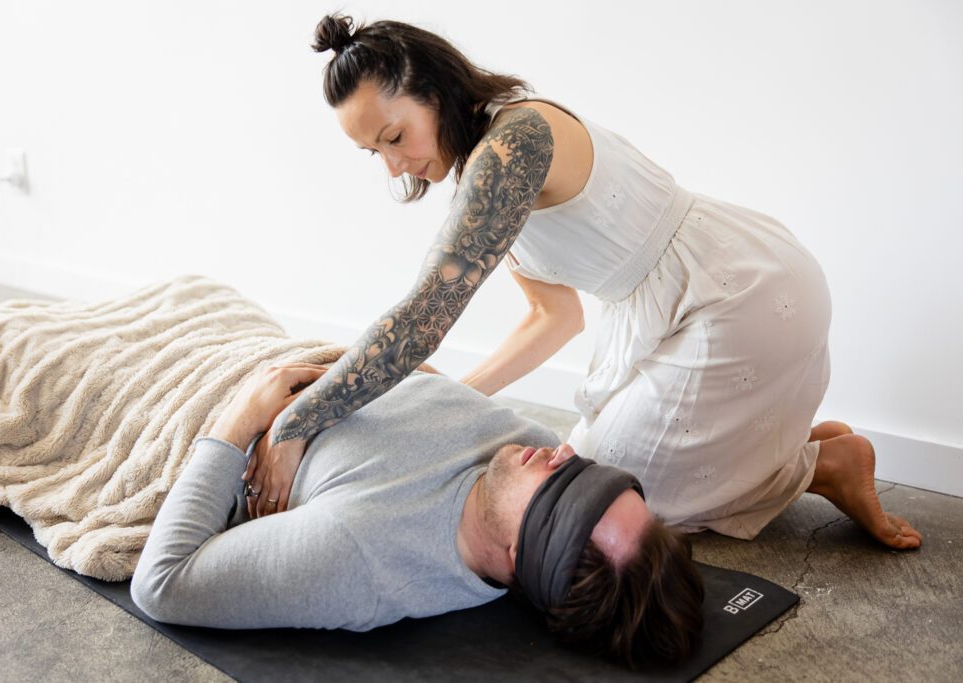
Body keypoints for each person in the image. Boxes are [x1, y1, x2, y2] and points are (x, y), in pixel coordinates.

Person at [239, 15, 921, 551]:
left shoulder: (514, 144)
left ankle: (822, 466)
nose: (394, 167)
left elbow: (428, 311)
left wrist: (302, 417)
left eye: (395, 136)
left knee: (596, 506)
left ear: (435, 93)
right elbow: (553, 316)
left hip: (736, 295)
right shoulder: (484, 166)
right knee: (583, 484)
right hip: (687, 301)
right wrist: (455, 395)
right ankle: (803, 449)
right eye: (374, 153)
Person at [130, 362, 705, 666]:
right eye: (591, 472)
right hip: (284, 358)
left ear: (520, 557)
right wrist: (318, 396)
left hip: (195, 394)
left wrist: (243, 414)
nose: (564, 453)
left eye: (566, 491)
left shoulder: (358, 555)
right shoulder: (531, 449)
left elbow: (162, 584)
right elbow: (418, 377)